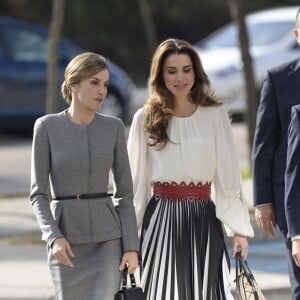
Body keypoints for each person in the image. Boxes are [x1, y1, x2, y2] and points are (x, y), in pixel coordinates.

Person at [127, 38, 254, 300]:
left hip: (204, 218)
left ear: (196, 72)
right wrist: (129, 240)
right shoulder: (144, 118)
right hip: (161, 219)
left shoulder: (215, 114)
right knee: (162, 293)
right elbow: (135, 184)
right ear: (160, 75)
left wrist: (238, 230)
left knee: (208, 292)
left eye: (186, 70)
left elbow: (228, 176)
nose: (180, 78)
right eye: (171, 71)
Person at [30, 52, 139, 300]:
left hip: (108, 240)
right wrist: (53, 237)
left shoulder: (113, 127)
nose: (102, 90)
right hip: (66, 241)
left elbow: (124, 194)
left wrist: (131, 246)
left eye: (105, 84)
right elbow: (38, 195)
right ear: (73, 84)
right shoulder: (46, 127)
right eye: (94, 82)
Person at [252, 7, 300, 299]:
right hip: (291, 200)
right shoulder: (279, 78)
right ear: (297, 35)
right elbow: (263, 144)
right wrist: (263, 200)